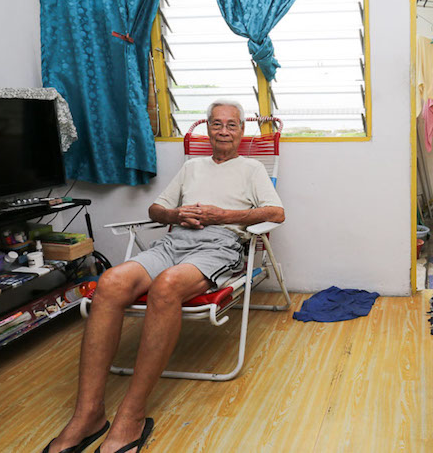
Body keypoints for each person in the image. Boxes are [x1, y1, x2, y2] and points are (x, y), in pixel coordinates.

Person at [43, 100, 284, 453]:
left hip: (219, 245)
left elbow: (276, 212)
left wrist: (221, 216)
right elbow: (156, 209)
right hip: (175, 240)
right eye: (216, 124)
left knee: (168, 285)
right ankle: (88, 414)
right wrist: (176, 213)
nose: (223, 131)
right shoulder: (192, 167)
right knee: (109, 282)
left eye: (231, 125)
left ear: (241, 131)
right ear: (207, 128)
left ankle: (132, 415)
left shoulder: (252, 169)